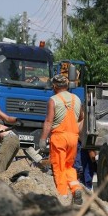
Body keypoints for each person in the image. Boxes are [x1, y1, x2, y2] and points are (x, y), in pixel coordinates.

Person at [39, 74, 84, 205]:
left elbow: (48, 121)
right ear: (67, 86)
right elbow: (81, 117)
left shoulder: (53, 100)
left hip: (59, 137)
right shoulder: (76, 99)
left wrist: (42, 139)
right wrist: (77, 133)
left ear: (54, 86)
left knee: (58, 167)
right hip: (73, 138)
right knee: (69, 166)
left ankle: (62, 196)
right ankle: (76, 189)